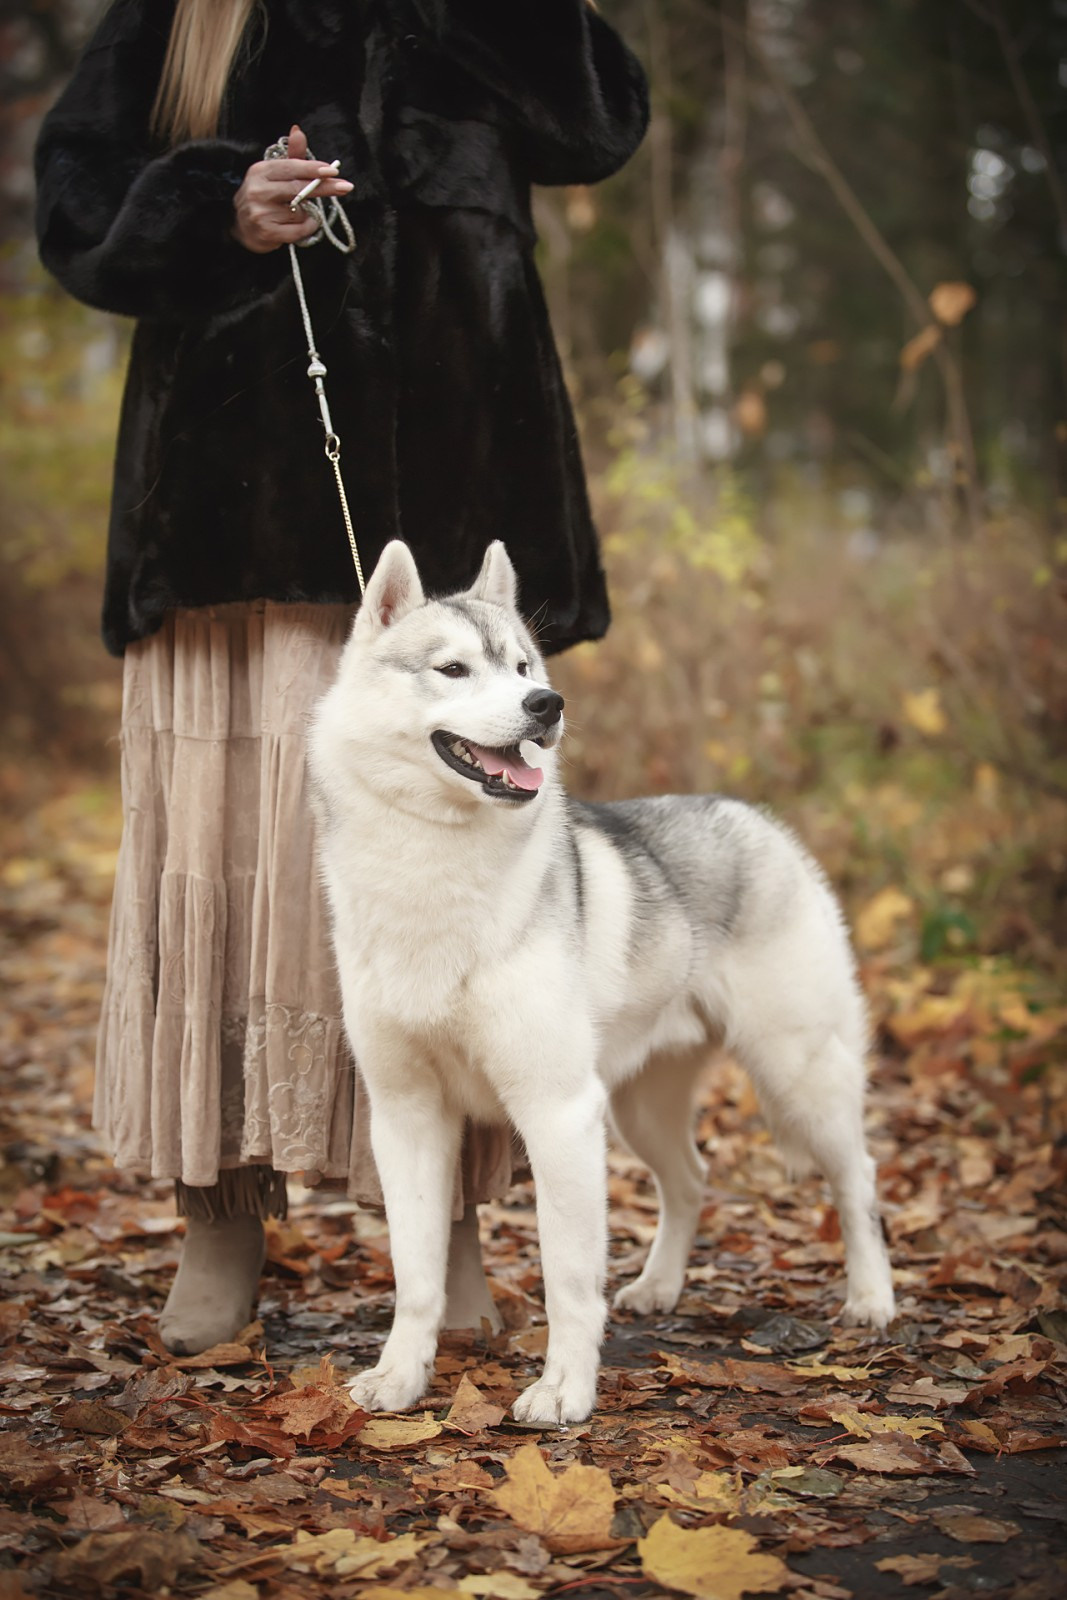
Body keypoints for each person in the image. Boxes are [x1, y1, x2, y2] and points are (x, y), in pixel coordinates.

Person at [34, 0, 648, 1354]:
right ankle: (220, 1214)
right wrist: (218, 212)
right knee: (238, 861)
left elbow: (597, 126)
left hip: (460, 494)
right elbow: (74, 194)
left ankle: (451, 1232)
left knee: (461, 892)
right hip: (233, 508)